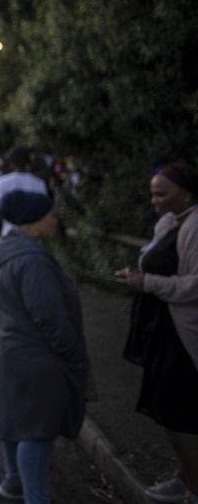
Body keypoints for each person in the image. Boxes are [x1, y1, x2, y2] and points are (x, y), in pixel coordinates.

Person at [0, 190, 88, 504]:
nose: (55, 220)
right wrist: (72, 351)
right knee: (36, 430)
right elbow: (49, 316)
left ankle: (13, 481)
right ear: (32, 222)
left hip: (13, 349)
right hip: (37, 357)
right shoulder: (32, 259)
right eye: (50, 215)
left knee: (16, 419)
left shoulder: (13, 250)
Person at [117, 162, 198, 504]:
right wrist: (138, 276)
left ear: (188, 193)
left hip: (181, 336)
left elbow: (195, 284)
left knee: (179, 414)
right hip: (161, 330)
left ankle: (194, 488)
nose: (154, 201)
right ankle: (185, 477)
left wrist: (148, 282)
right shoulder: (169, 221)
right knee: (167, 412)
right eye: (152, 194)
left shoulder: (195, 226)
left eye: (161, 194)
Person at [0, 145, 48, 238]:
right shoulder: (40, 183)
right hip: (33, 234)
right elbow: (43, 211)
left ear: (12, 162)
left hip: (9, 232)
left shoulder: (2, 181)